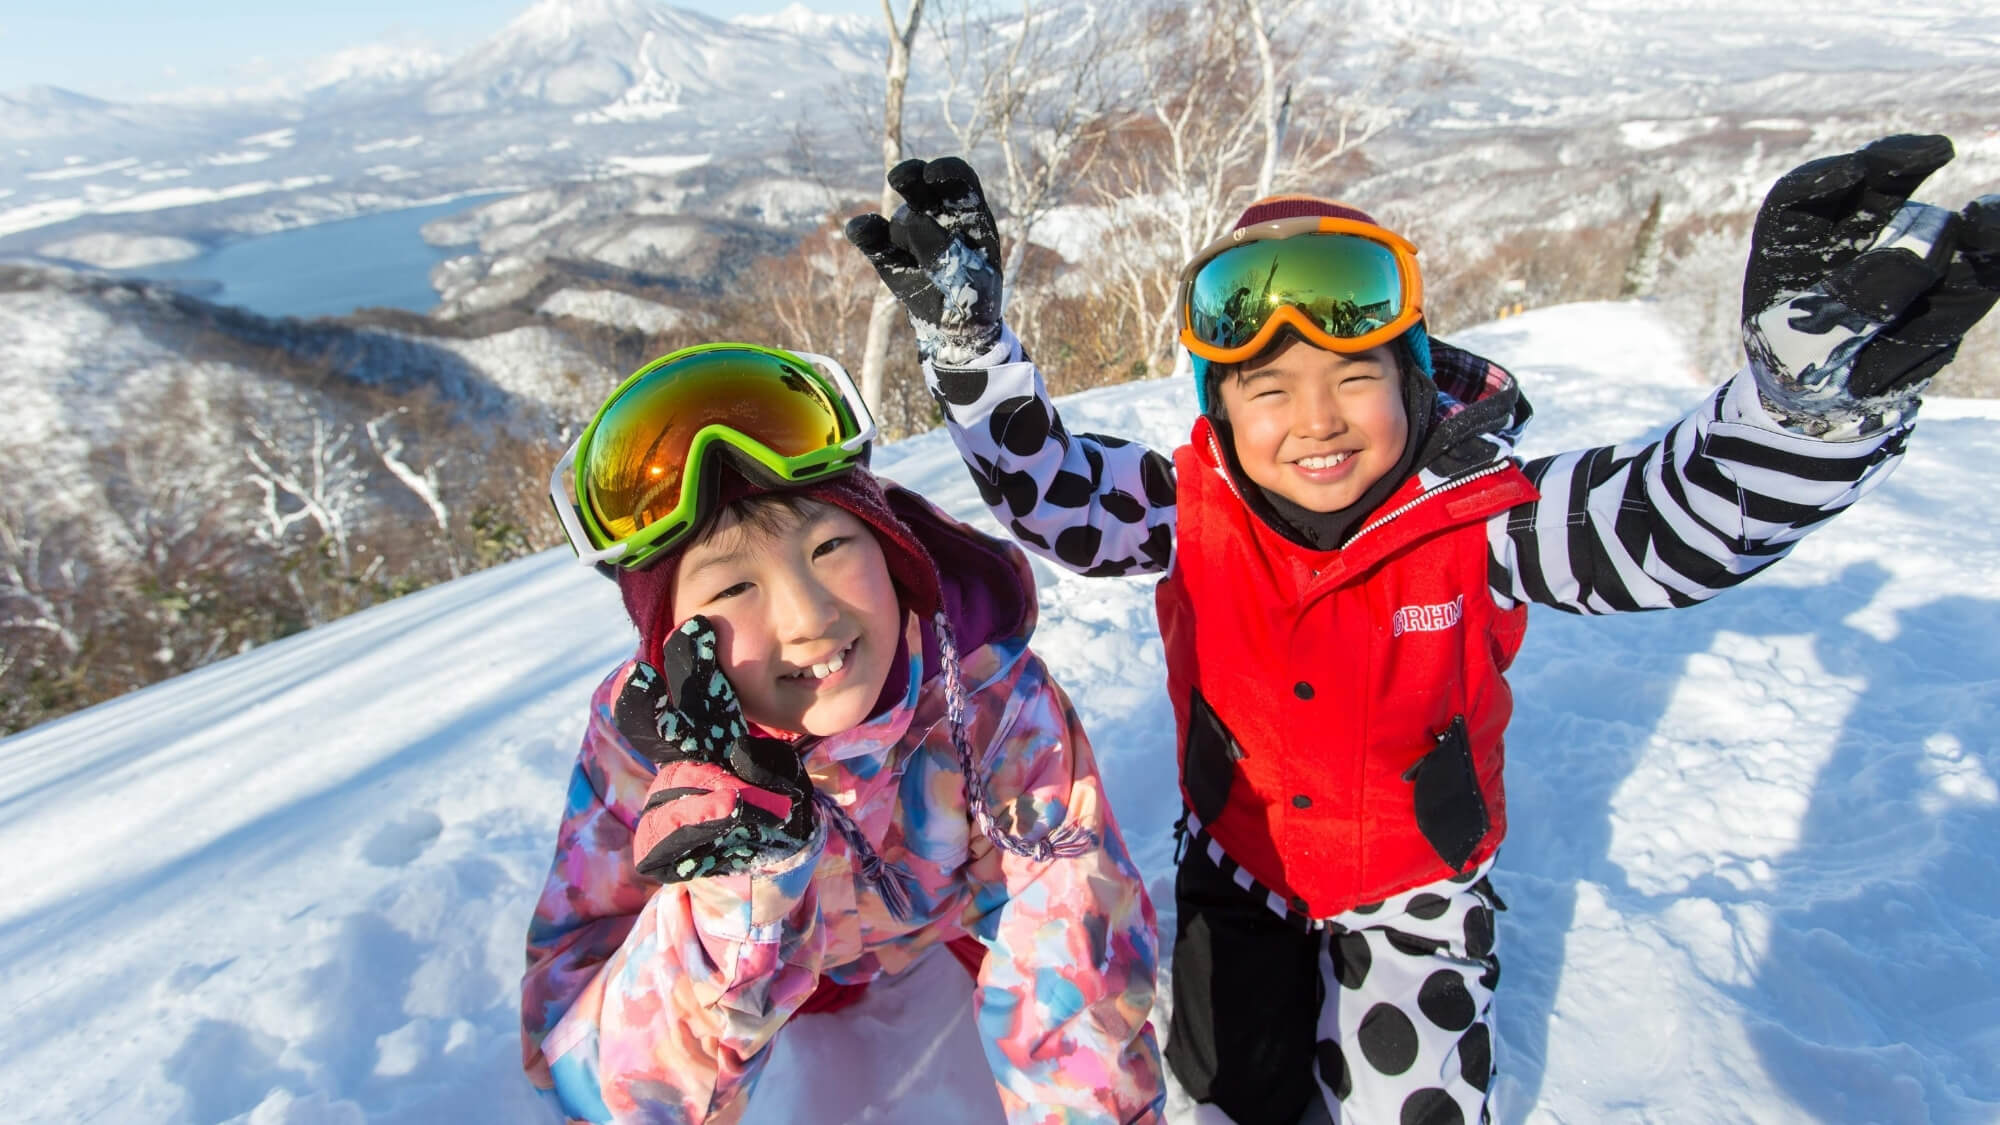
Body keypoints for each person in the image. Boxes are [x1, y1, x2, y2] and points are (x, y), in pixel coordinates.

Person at [844, 138, 1999, 1124]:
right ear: (1217, 409)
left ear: (1413, 379)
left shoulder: (1482, 520)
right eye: (1265, 389)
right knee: (1224, 1087)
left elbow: (1667, 523)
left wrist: (1798, 417)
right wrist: (970, 352)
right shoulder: (1187, 510)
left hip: (1412, 886)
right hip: (1236, 864)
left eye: (1353, 375)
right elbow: (1045, 488)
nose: (1314, 421)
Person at [519, 342, 1166, 1123]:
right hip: (779, 970)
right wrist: (739, 892)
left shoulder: (987, 698)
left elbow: (1074, 959)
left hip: (938, 923)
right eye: (732, 585)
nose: (810, 616)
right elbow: (584, 1071)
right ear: (676, 640)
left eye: (829, 546)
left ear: (889, 548)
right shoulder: (643, 757)